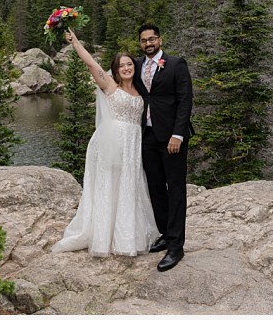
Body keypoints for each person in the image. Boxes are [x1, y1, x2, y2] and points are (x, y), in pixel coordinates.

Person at [52, 28, 160, 257]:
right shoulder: (111, 86)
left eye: (130, 64)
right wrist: (76, 43)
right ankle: (104, 237)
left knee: (129, 186)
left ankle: (127, 238)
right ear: (116, 70)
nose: (127, 68)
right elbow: (92, 65)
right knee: (109, 186)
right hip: (111, 144)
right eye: (122, 65)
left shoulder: (142, 91)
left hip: (132, 145)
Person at [133, 23, 194, 272]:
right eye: (144, 40)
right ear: (140, 43)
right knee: (155, 188)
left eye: (152, 39)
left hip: (172, 138)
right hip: (147, 136)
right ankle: (166, 234)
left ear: (160, 40)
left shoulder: (176, 64)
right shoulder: (136, 66)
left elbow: (185, 100)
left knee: (176, 189)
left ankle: (176, 247)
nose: (148, 43)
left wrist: (177, 134)